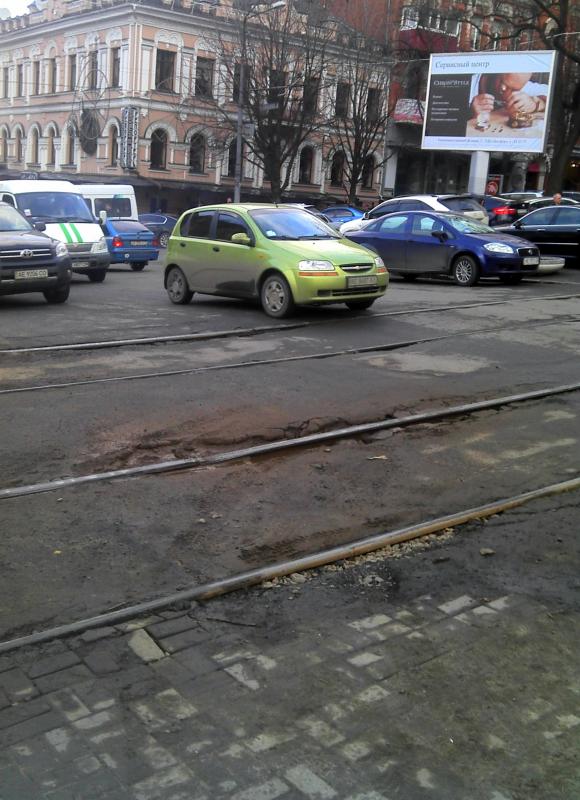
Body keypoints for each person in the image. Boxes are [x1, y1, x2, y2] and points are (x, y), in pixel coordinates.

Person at [470, 72, 549, 124]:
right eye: (501, 81)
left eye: (513, 89)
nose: (503, 89)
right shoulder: (466, 85)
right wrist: (470, 114)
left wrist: (536, 104)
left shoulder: (518, 84)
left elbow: (552, 93)